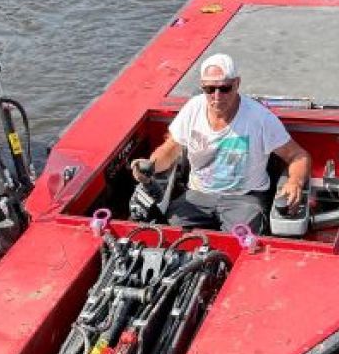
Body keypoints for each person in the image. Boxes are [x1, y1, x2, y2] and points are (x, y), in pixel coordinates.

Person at [130, 53, 310, 232]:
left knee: (242, 242)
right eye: (209, 89)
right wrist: (149, 166)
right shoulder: (192, 108)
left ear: (237, 84)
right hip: (197, 195)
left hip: (245, 199)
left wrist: (295, 182)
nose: (217, 96)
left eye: (224, 88)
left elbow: (298, 155)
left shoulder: (260, 118)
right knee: (168, 233)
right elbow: (169, 150)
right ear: (202, 87)